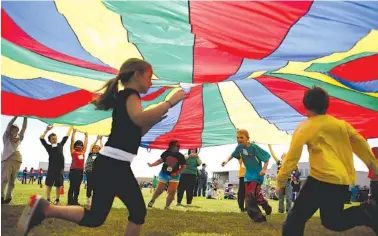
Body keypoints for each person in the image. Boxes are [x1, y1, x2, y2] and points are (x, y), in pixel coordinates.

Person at [18, 58, 186, 236]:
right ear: (137, 75)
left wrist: (151, 123)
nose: (151, 82)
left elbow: (134, 132)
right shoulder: (130, 95)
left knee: (95, 218)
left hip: (110, 163)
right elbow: (138, 118)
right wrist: (169, 102)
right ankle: (46, 208)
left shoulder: (125, 97)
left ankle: (46, 208)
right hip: (114, 165)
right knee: (137, 211)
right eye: (149, 77)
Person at [276, 86, 378, 236]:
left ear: (305, 105)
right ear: (326, 105)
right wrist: (375, 168)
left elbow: (292, 157)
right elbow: (361, 144)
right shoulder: (341, 125)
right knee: (333, 221)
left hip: (319, 179)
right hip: (340, 182)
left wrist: (280, 180)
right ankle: (369, 212)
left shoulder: (305, 127)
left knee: (295, 218)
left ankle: (369, 211)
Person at [221, 129, 272, 222]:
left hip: (257, 176)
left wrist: (264, 169)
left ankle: (262, 211)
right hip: (247, 176)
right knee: (251, 197)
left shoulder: (254, 147)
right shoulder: (239, 148)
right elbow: (232, 155)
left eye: (241, 137)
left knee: (251, 195)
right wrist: (226, 161)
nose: (239, 139)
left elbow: (267, 157)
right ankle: (262, 211)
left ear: (247, 138)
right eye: (237, 138)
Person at [147, 140, 186, 210]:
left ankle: (167, 206)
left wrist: (176, 173)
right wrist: (152, 165)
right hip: (164, 174)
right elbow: (159, 161)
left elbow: (183, 166)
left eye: (179, 146)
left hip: (174, 176)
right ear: (172, 146)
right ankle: (152, 200)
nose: (179, 147)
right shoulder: (166, 153)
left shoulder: (180, 156)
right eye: (177, 146)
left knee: (172, 191)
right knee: (160, 190)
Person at [40, 125, 73, 205]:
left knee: (58, 185)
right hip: (51, 168)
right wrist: (46, 130)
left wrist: (71, 127)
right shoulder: (48, 147)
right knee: (49, 184)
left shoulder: (60, 145)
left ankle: (57, 200)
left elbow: (66, 136)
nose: (54, 140)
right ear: (50, 140)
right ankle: (48, 199)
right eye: (53, 139)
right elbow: (41, 138)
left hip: (60, 169)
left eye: (55, 139)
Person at [1, 116, 27, 204]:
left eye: (16, 130)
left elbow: (24, 128)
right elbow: (9, 125)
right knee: (4, 179)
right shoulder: (6, 138)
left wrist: (25, 117)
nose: (14, 131)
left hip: (17, 160)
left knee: (12, 180)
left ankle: (8, 197)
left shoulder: (19, 138)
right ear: (10, 130)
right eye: (13, 130)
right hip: (7, 159)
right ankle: (1, 196)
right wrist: (16, 115)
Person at [268, 144, 293, 213]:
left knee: (288, 198)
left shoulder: (289, 163)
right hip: (281, 183)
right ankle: (281, 210)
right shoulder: (279, 162)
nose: (284, 156)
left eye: (286, 155)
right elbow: (273, 155)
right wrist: (270, 147)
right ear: (281, 157)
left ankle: (289, 210)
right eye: (283, 155)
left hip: (288, 182)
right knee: (281, 198)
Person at [68, 129, 88, 205]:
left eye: (81, 145)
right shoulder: (73, 151)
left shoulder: (83, 152)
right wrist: (73, 133)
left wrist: (86, 136)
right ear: (75, 146)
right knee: (72, 186)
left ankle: (75, 201)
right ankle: (70, 201)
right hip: (73, 171)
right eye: (78, 145)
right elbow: (72, 141)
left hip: (80, 172)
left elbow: (86, 144)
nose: (79, 146)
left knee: (77, 187)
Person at [84, 135, 103, 207]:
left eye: (98, 148)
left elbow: (102, 148)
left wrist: (101, 140)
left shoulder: (100, 155)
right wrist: (97, 139)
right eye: (95, 148)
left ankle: (95, 201)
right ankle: (88, 200)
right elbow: (91, 145)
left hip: (97, 172)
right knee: (89, 186)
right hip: (89, 171)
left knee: (96, 187)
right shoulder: (90, 154)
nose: (96, 149)